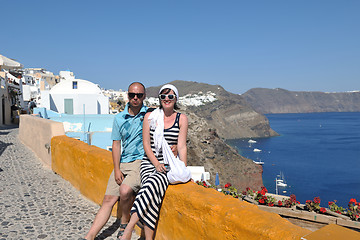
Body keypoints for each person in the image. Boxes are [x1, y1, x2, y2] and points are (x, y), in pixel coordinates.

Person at [119, 84, 188, 240]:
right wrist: (156, 164)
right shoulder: (150, 117)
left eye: (170, 96)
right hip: (150, 162)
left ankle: (129, 228)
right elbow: (146, 145)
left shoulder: (181, 118)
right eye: (163, 96)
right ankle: (133, 231)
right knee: (153, 187)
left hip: (168, 164)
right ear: (159, 98)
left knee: (152, 188)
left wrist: (183, 168)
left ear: (176, 98)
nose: (167, 99)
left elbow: (182, 146)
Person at [83, 82, 147, 240]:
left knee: (125, 191)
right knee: (108, 199)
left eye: (139, 95)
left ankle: (124, 225)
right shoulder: (119, 118)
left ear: (144, 96)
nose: (135, 98)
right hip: (123, 162)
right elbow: (116, 144)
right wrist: (117, 169)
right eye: (132, 95)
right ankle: (89, 236)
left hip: (140, 162)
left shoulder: (150, 116)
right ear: (128, 96)